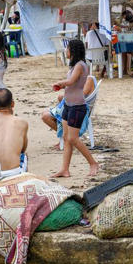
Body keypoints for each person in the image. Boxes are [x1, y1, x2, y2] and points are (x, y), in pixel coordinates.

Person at [51, 39, 99, 177]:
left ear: (73, 51)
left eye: (68, 49)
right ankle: (65, 169)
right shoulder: (74, 66)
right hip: (68, 105)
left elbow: (71, 82)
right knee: (66, 138)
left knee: (73, 139)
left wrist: (60, 83)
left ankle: (93, 163)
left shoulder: (80, 65)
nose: (66, 51)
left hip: (77, 106)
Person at [41, 75, 95, 147]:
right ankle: (67, 137)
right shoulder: (83, 78)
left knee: (45, 116)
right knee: (58, 100)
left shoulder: (89, 79)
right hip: (75, 106)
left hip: (80, 109)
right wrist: (63, 85)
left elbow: (80, 95)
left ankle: (67, 139)